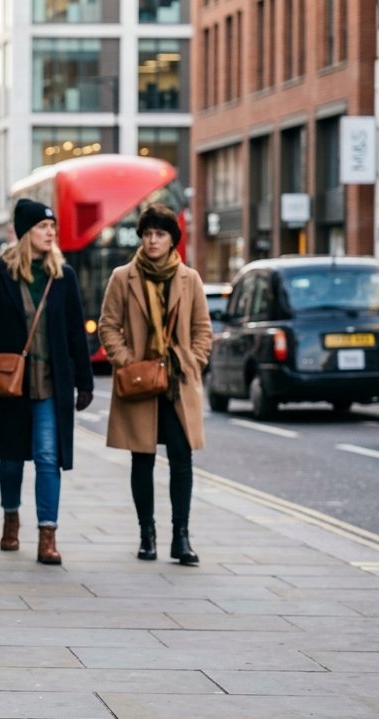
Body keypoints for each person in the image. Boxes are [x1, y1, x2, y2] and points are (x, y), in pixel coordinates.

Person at [0, 200, 94, 565]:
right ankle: (10, 516)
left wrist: (84, 381)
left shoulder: (62, 275)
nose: (50, 232)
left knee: (48, 457)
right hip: (10, 383)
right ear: (25, 233)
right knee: (11, 460)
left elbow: (75, 333)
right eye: (42, 227)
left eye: (52, 226)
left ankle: (47, 535)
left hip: (51, 383)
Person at [98, 203, 212, 566]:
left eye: (160, 234)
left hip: (177, 381)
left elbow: (202, 329)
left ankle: (181, 537)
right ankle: (147, 535)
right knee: (142, 459)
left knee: (182, 458)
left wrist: (193, 360)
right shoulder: (123, 277)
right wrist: (128, 362)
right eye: (147, 234)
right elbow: (108, 326)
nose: (152, 241)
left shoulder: (189, 279)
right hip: (139, 381)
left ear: (172, 239)